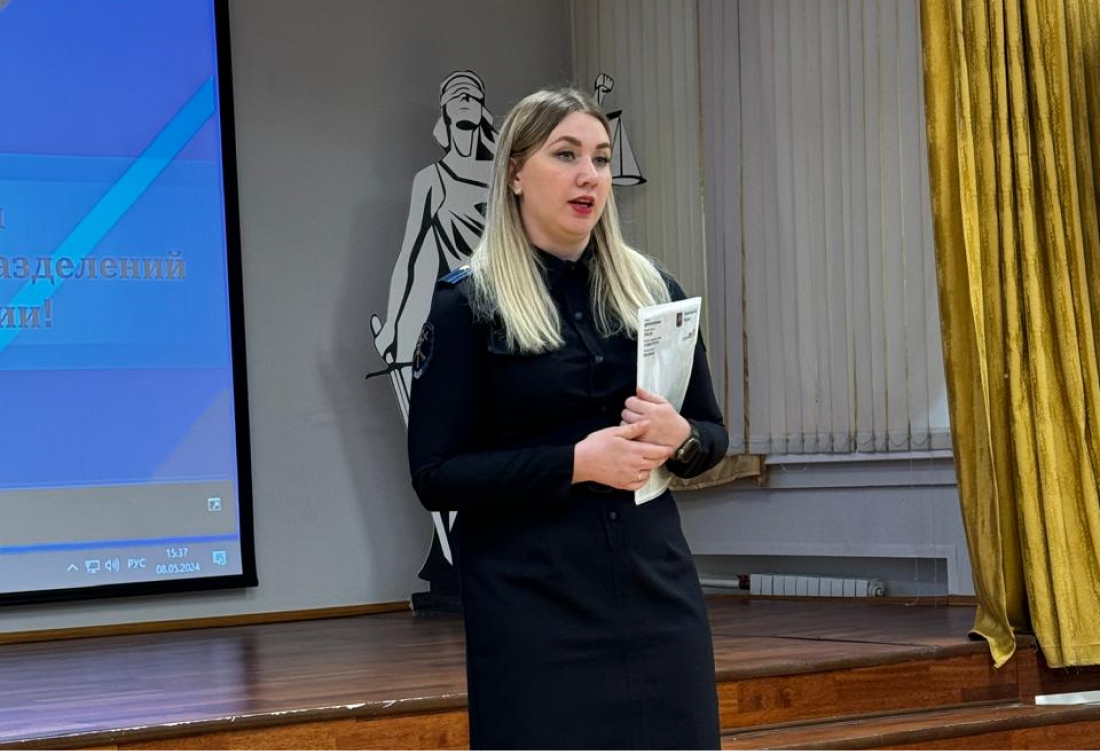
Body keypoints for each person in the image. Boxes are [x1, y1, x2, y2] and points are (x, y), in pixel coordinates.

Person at [407, 88, 727, 751]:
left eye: (601, 159)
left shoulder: (654, 290)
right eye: (566, 154)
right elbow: (436, 475)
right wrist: (575, 463)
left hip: (655, 592)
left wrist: (683, 439)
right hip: (532, 607)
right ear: (515, 174)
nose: (590, 175)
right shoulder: (468, 304)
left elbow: (710, 434)